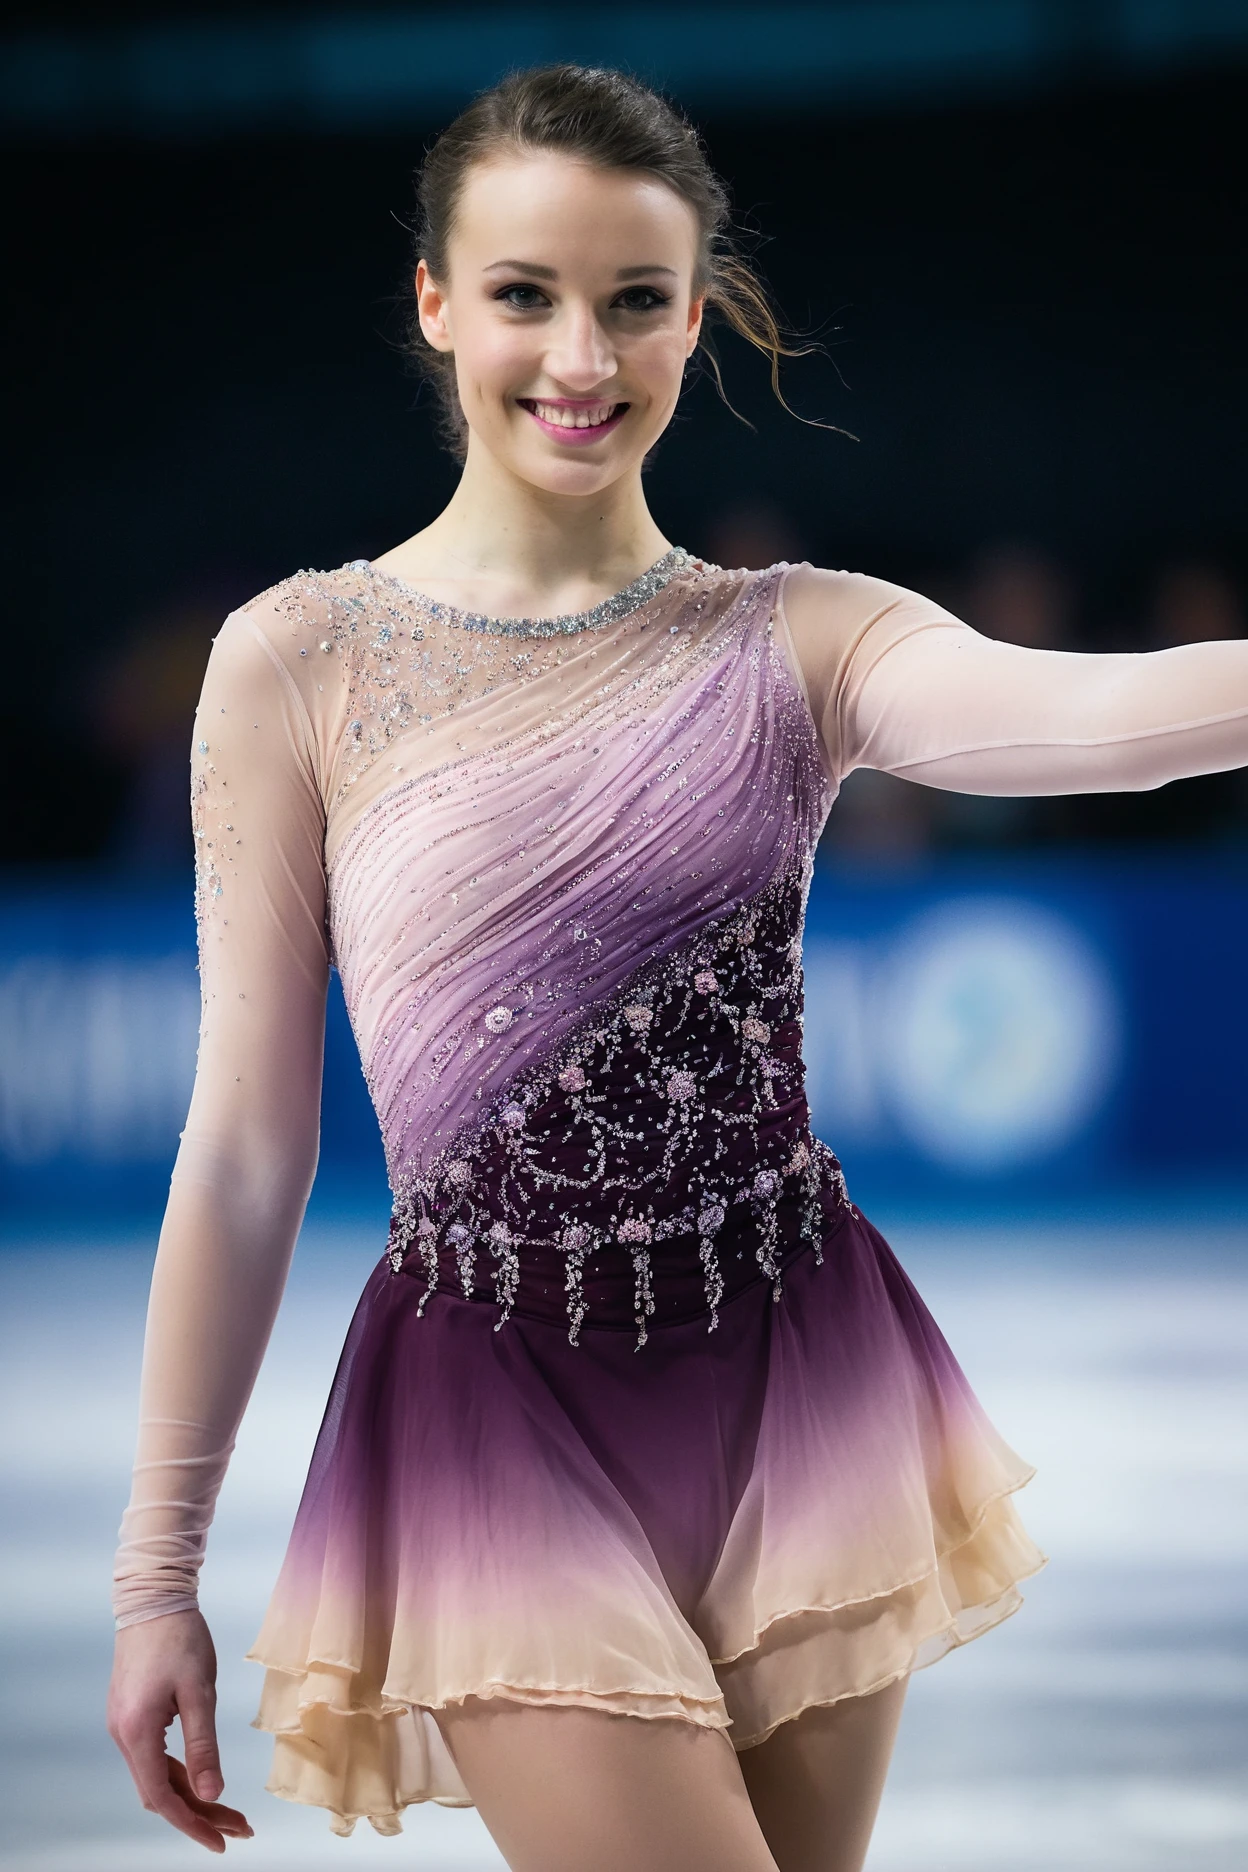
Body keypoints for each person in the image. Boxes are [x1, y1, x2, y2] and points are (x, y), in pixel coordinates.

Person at [106, 65, 1248, 1872]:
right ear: (433, 302)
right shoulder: (296, 664)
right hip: (493, 1402)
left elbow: (1110, 725)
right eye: (524, 295)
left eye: (636, 300)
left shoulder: (800, 639)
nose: (583, 354)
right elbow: (247, 1147)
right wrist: (151, 1575)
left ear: (696, 314)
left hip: (796, 1372)